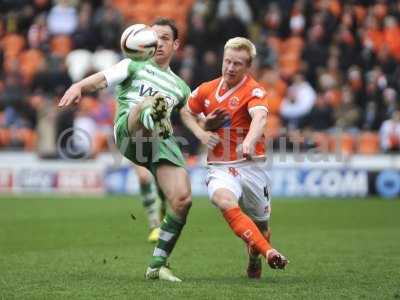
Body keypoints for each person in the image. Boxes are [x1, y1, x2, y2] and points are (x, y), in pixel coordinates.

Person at [59, 18, 206, 282]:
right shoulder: (133, 64)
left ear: (175, 44)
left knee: (183, 199)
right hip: (130, 131)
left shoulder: (181, 87)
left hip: (159, 142)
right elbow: (103, 79)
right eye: (153, 37)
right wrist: (78, 86)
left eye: (164, 38)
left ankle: (157, 265)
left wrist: (209, 126)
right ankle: (153, 113)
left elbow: (190, 117)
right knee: (147, 104)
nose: (157, 43)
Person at [181, 37, 288, 279]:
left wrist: (249, 141)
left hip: (252, 166)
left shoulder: (254, 90)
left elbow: (260, 117)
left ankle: (254, 256)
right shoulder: (207, 89)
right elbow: (185, 111)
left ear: (248, 66)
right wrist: (201, 130)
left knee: (262, 227)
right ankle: (270, 253)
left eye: (237, 64)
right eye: (227, 61)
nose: (230, 67)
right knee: (223, 199)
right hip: (220, 166)